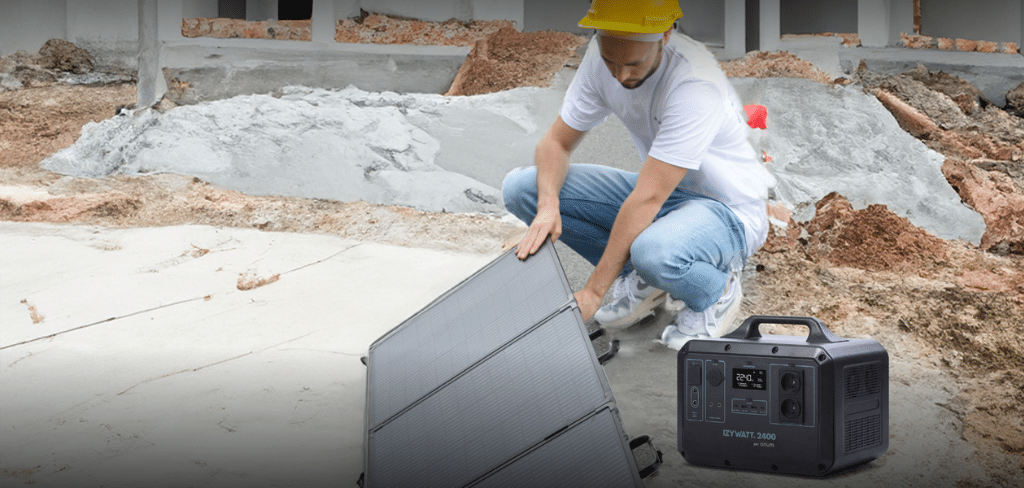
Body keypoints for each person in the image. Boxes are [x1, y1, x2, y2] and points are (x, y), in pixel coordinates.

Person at [502, 0, 770, 350]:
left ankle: (716, 290)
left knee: (655, 253)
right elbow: (555, 143)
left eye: (634, 63)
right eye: (611, 61)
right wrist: (548, 206)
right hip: (667, 194)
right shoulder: (601, 58)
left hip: (727, 210)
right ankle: (642, 277)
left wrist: (593, 292)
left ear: (666, 34)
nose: (621, 75)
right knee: (523, 188)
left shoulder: (694, 84)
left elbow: (647, 199)